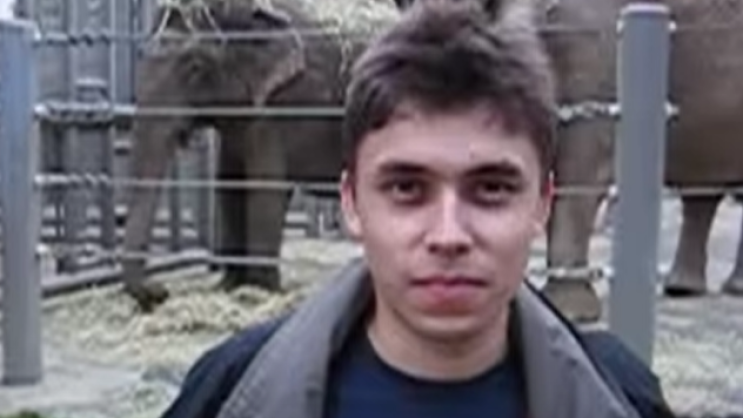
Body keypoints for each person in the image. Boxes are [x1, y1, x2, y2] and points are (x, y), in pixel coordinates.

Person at [161, 1, 675, 417]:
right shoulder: (225, 390)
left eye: (491, 189)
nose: (448, 235)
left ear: (543, 204)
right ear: (351, 203)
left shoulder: (625, 394)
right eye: (407, 188)